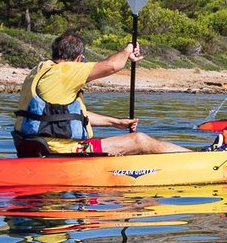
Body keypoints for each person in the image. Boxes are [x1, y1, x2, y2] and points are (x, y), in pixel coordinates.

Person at [12, 32, 189, 156]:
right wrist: (128, 49)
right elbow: (112, 65)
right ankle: (197, 159)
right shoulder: (67, 70)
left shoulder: (40, 69)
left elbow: (64, 116)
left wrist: (115, 122)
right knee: (140, 140)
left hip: (33, 146)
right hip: (63, 150)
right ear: (78, 58)